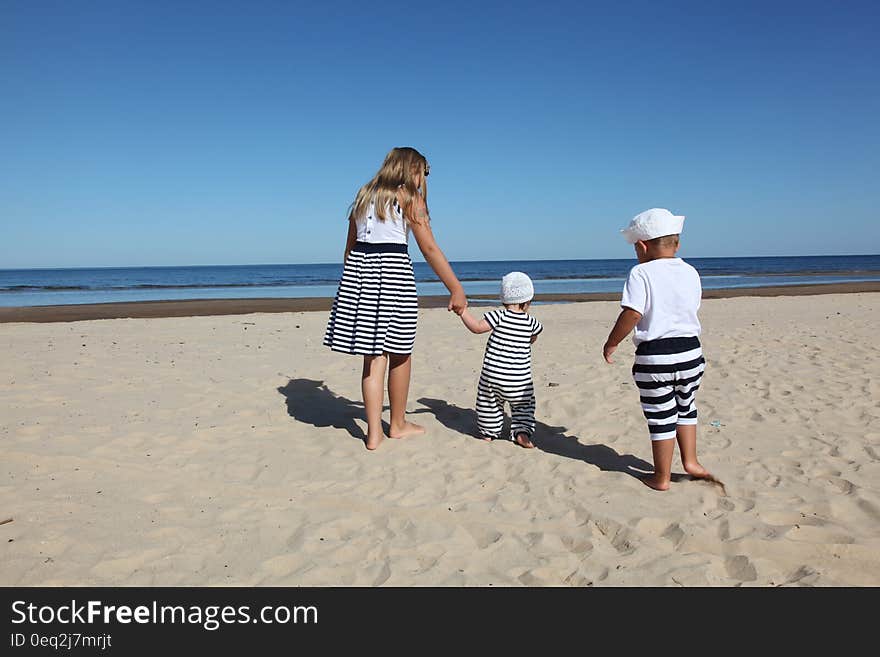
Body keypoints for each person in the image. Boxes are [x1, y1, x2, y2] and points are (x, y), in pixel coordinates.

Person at [323, 147, 467, 451]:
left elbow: (349, 248)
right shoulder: (408, 197)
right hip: (393, 275)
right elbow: (429, 249)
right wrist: (455, 287)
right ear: (411, 169)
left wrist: (354, 285)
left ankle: (373, 433)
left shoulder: (364, 195)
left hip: (359, 276)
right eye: (423, 172)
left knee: (373, 357)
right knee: (400, 351)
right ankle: (397, 424)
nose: (424, 178)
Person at [603, 208, 721, 491]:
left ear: (641, 247)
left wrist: (612, 342)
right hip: (692, 353)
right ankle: (691, 462)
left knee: (660, 415)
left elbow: (632, 313)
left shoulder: (641, 273)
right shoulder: (690, 271)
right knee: (686, 406)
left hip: (656, 357)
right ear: (676, 243)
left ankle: (661, 477)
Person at [459, 272, 543, 448]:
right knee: (523, 406)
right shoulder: (531, 322)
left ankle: (488, 433)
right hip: (519, 380)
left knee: (489, 404)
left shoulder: (498, 316)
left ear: (503, 300)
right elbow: (533, 337)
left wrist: (463, 312)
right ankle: (522, 433)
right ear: (528, 302)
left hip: (493, 375)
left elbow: (476, 328)